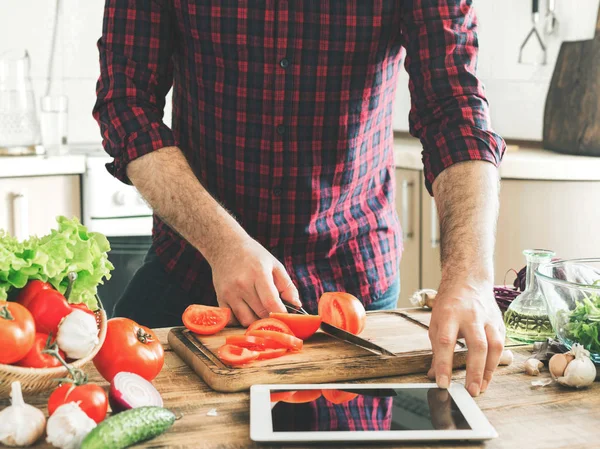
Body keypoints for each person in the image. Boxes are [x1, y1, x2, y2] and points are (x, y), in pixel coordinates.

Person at [93, 0, 506, 397]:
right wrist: (222, 244)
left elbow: (455, 111)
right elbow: (127, 104)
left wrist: (470, 273)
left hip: (353, 285)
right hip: (191, 271)